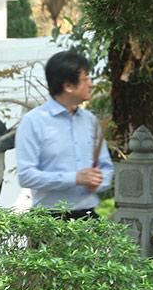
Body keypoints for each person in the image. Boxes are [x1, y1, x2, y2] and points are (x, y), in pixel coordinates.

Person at [15, 49, 114, 219]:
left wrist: (99, 182)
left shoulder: (90, 120)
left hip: (89, 216)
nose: (91, 84)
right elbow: (26, 176)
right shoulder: (33, 121)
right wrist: (75, 178)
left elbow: (106, 167)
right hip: (49, 219)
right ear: (68, 86)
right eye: (85, 79)